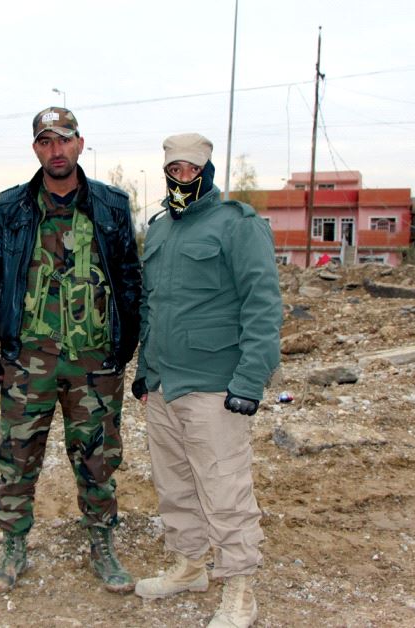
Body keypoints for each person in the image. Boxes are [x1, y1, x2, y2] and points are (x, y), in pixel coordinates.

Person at [0, 106, 142, 594]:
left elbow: (129, 280)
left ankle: (102, 543)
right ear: (36, 149)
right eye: (46, 142)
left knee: (97, 458)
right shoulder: (12, 207)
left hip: (94, 363)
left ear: (80, 144)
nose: (56, 150)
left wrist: (125, 344)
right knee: (17, 456)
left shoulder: (110, 204)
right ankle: (13, 547)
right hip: (27, 361)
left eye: (64, 140)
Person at [131, 133, 282, 627]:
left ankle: (240, 588)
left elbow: (262, 304)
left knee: (224, 488)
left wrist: (250, 380)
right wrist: (145, 369)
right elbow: (153, 306)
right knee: (175, 485)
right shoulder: (159, 230)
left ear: (207, 170)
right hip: (165, 385)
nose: (182, 177)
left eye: (190, 169)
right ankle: (190, 565)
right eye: (174, 169)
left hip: (215, 385)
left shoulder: (237, 225)